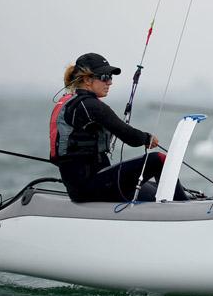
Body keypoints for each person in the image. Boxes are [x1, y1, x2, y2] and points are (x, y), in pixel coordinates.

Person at [50, 52, 187, 202]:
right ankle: (186, 210)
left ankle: (182, 203)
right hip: (89, 188)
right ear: (87, 80)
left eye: (110, 77)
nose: (110, 82)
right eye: (104, 77)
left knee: (153, 188)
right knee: (158, 160)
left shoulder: (76, 103)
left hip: (86, 185)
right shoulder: (89, 105)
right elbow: (129, 136)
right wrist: (147, 138)